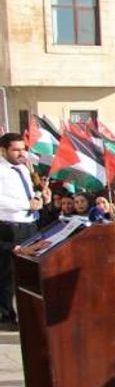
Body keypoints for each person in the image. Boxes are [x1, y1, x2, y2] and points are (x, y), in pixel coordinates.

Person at [0, 133, 41, 325]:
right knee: (8, 274)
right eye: (15, 150)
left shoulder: (24, 169)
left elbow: (30, 194)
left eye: (23, 149)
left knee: (30, 272)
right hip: (9, 227)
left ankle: (29, 314)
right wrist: (26, 204)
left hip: (30, 225)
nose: (21, 153)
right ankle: (7, 315)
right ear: (3, 150)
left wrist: (39, 199)